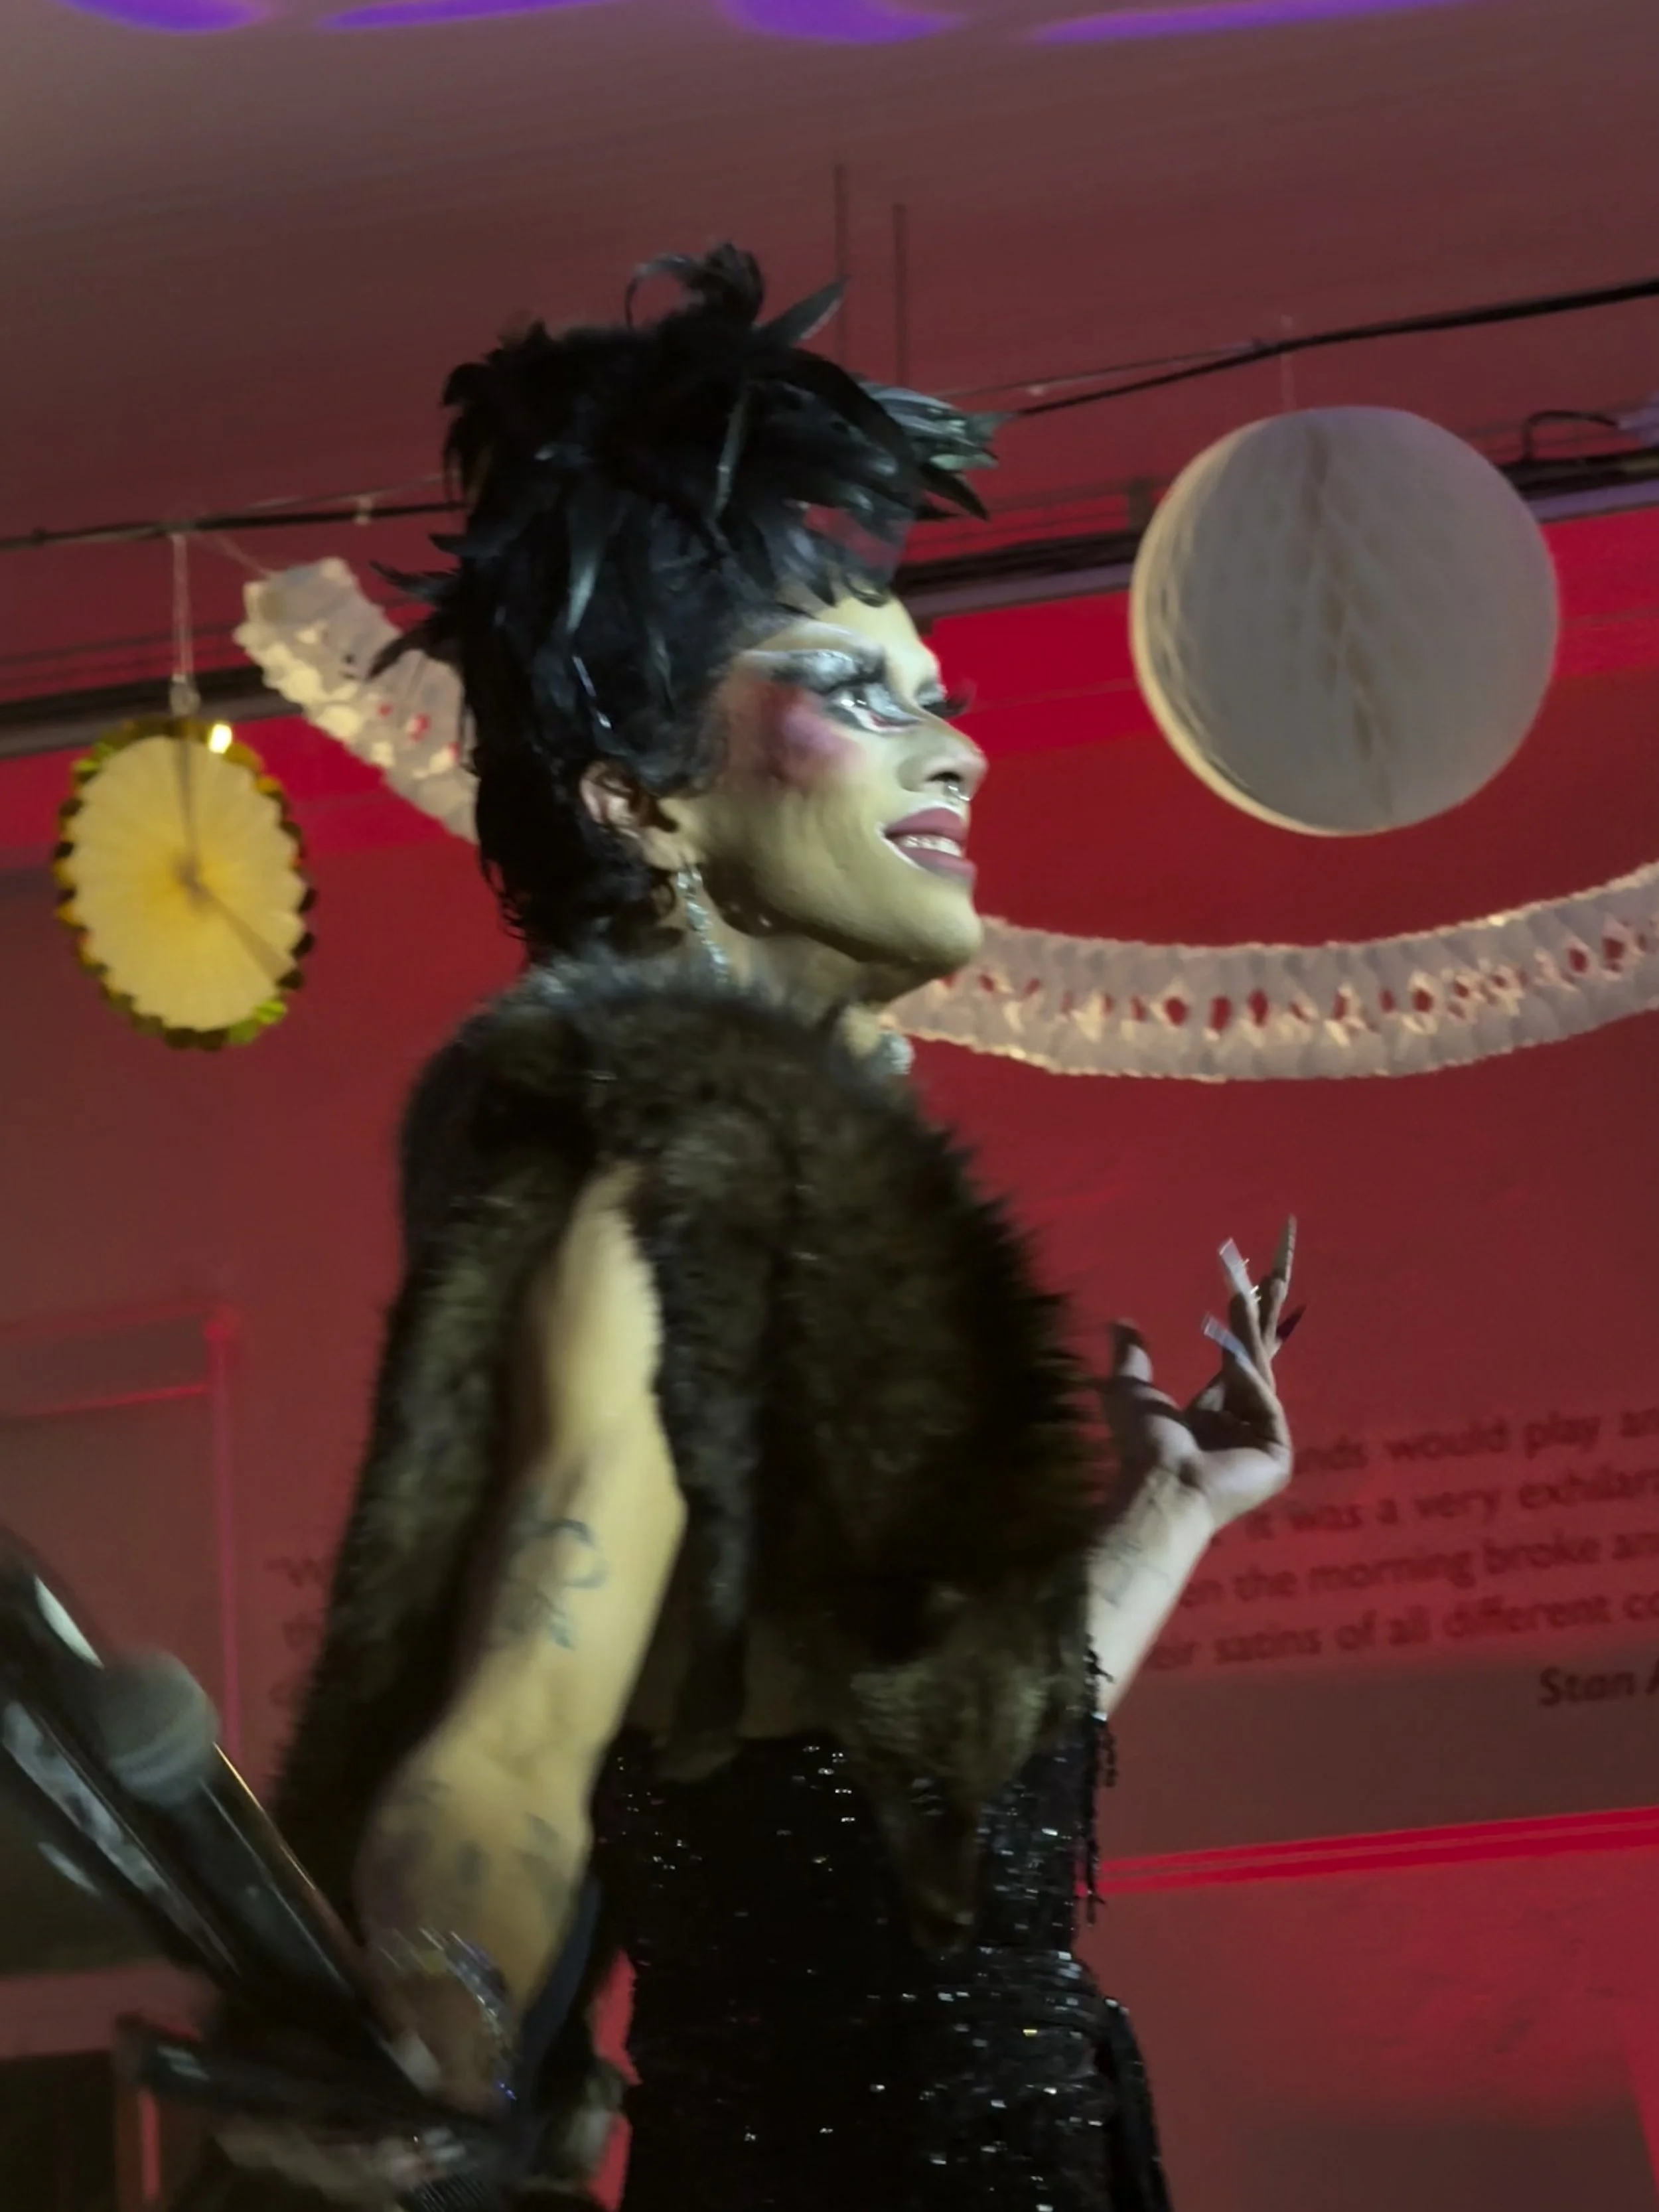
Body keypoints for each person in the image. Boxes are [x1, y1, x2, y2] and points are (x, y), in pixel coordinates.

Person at [207, 246, 1296, 2212]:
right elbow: (518, 1736)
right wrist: (440, 2012)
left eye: (941, 700)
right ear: (641, 803)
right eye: (854, 694)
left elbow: (916, 1784)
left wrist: (1175, 1516)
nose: (953, 747)